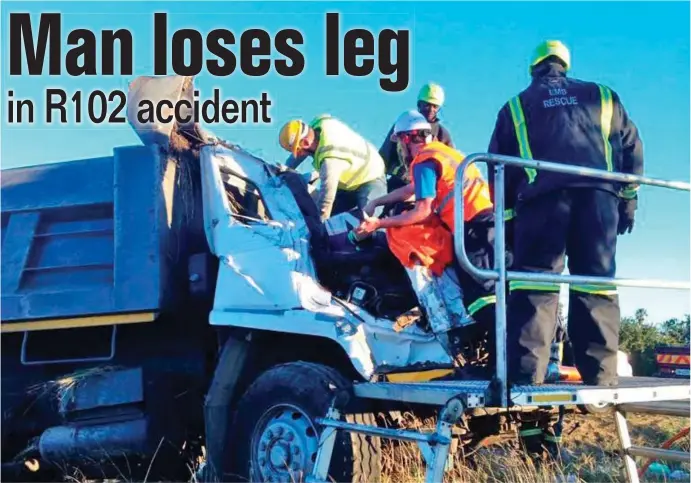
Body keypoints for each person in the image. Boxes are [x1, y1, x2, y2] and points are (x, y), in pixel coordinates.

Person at [487, 40, 644, 386]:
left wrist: (509, 222)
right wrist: (628, 199)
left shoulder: (515, 106)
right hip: (599, 200)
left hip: (542, 202)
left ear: (533, 69)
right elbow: (632, 146)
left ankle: (527, 377)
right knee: (596, 281)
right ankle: (602, 378)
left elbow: (500, 170)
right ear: (565, 65)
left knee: (535, 282)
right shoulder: (604, 96)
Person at [356, 110, 496, 332]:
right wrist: (377, 202)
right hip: (489, 221)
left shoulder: (424, 161)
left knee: (480, 298)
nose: (400, 149)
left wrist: (379, 224)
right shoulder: (443, 153)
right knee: (492, 289)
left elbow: (422, 210)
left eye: (400, 142)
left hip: (472, 227)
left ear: (408, 138)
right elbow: (413, 189)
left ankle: (493, 355)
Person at [278, 115, 387, 221]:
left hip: (371, 176)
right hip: (348, 182)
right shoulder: (318, 123)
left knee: (369, 224)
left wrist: (319, 226)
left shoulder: (330, 159)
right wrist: (285, 170)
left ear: (306, 143)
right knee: (330, 218)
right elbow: (299, 149)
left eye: (298, 151)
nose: (297, 155)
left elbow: (326, 200)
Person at [379, 83, 455, 192]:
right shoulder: (403, 124)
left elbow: (450, 166)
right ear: (419, 104)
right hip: (399, 183)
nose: (431, 109)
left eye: (435, 106)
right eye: (427, 105)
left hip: (428, 187)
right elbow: (384, 156)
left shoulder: (442, 134)